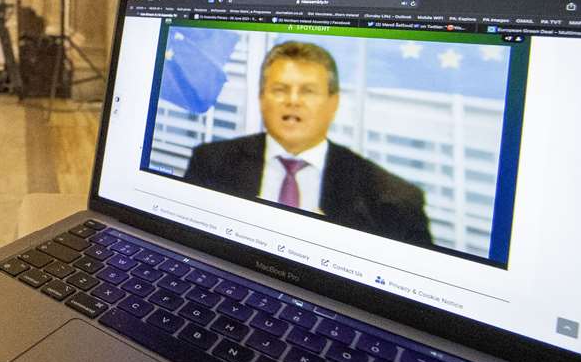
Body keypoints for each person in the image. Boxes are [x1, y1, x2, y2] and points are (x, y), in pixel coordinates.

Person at [182, 41, 433, 247]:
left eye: (308, 91)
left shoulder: (394, 199)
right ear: (261, 99)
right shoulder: (210, 161)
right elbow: (188, 240)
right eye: (280, 89)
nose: (293, 101)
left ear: (333, 103)